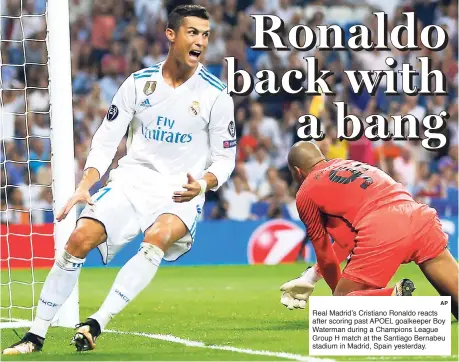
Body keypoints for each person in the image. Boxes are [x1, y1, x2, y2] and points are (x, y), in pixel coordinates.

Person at [3, 5, 236, 355]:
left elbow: (225, 158)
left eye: (205, 34)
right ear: (171, 34)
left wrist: (203, 184)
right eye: (193, 32)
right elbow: (107, 139)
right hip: (132, 179)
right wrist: (86, 183)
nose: (200, 41)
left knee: (156, 238)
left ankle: (97, 321)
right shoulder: (139, 84)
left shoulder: (216, 95)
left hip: (180, 190)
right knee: (79, 238)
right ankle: (35, 335)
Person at [279, 141, 458, 319]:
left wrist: (340, 300)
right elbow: (347, 243)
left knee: (339, 312)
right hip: (420, 217)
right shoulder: (349, 164)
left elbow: (326, 257)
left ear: (297, 171)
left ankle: (392, 297)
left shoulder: (306, 192)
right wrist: (311, 276)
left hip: (384, 227)